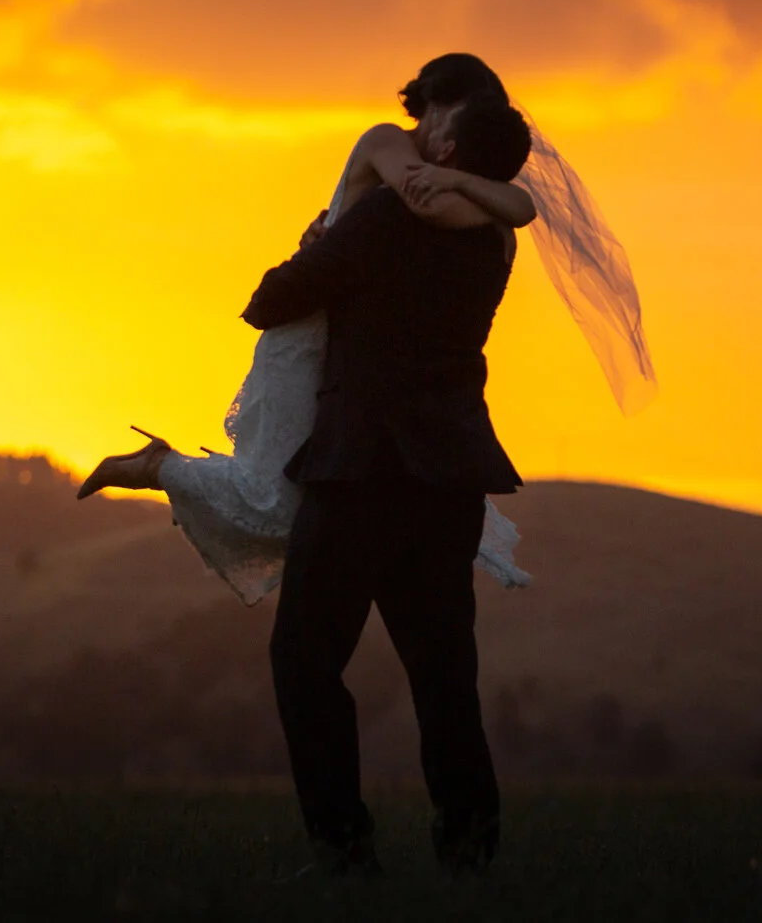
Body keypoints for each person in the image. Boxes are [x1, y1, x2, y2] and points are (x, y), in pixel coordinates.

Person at [77, 54, 542, 604]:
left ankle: (164, 469)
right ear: (436, 107)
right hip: (307, 324)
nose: (449, 136)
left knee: (283, 500)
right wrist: (478, 195)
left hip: (346, 335)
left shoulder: (456, 188)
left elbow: (515, 206)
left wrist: (473, 188)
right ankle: (159, 468)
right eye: (459, 114)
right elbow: (427, 201)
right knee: (272, 494)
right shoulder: (389, 142)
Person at [241, 89, 535, 876]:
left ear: (448, 151)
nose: (421, 127)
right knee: (445, 675)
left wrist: (315, 241)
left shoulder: (378, 219)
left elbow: (268, 304)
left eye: (438, 121)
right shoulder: (497, 244)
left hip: (360, 472)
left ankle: (343, 847)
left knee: (304, 660)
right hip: (450, 480)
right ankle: (470, 849)